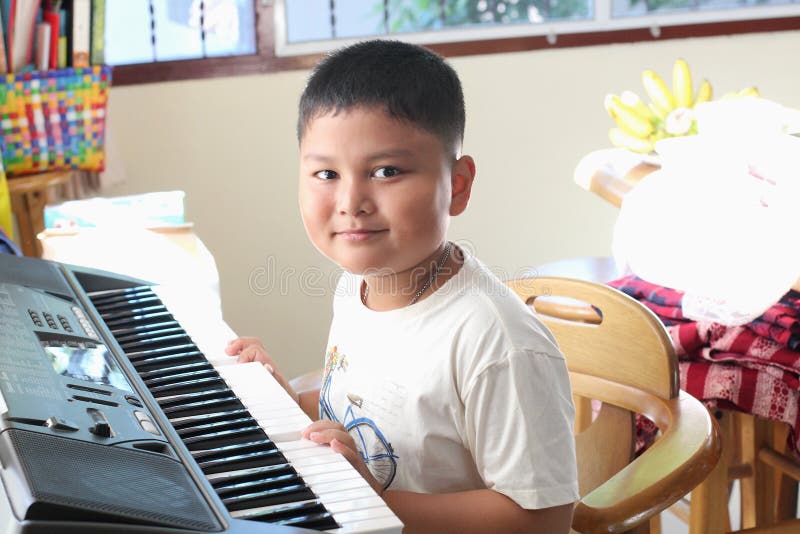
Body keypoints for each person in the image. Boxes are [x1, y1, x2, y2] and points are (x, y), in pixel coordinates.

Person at [226, 39, 578, 533]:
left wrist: (371, 500)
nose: (352, 200)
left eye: (386, 171)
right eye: (326, 173)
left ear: (456, 185)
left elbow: (543, 520)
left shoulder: (497, 342)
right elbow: (366, 403)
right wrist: (278, 396)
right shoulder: (357, 286)